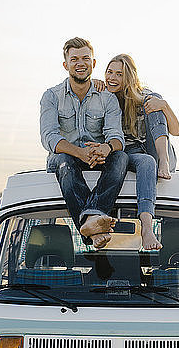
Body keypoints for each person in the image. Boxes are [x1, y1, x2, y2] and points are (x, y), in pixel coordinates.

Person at [40, 38, 129, 249]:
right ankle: (93, 222)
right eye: (74, 59)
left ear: (94, 63)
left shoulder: (107, 97)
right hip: (65, 160)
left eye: (85, 58)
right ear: (66, 65)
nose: (80, 63)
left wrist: (106, 148)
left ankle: (90, 220)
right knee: (63, 160)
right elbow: (48, 136)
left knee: (121, 157)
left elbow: (117, 136)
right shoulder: (51, 96)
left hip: (98, 157)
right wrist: (79, 153)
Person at [91, 54, 179, 250]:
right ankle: (144, 228)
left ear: (129, 78)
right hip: (123, 153)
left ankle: (163, 162)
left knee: (154, 100)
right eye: (109, 72)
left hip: (153, 150)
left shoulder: (143, 97)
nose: (112, 78)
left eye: (119, 74)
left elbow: (176, 131)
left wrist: (164, 106)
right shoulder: (103, 95)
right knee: (146, 162)